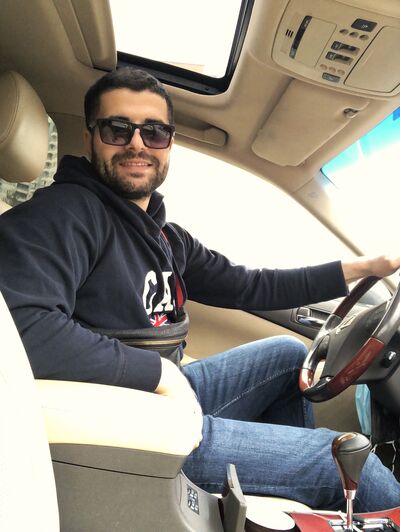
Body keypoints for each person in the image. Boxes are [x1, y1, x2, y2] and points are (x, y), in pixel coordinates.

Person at [0, 67, 399, 512]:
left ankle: (292, 500)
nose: (137, 143)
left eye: (154, 132)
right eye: (118, 129)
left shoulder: (163, 235)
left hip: (162, 394)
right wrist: (158, 374)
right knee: (340, 461)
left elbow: (250, 285)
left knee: (288, 356)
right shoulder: (61, 214)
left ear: (169, 143)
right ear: (91, 137)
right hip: (130, 422)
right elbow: (20, 328)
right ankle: (309, 478)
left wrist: (369, 267)